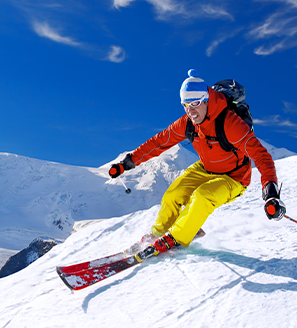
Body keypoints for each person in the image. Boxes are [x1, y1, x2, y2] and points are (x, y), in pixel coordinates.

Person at [109, 69, 286, 255]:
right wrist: (125, 163)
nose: (190, 111)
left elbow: (261, 156)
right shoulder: (187, 123)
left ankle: (176, 238)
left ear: (207, 99)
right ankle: (158, 234)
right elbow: (158, 142)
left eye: (195, 103)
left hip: (234, 177)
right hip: (206, 168)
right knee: (173, 194)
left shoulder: (230, 123)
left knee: (202, 196)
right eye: (185, 105)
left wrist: (271, 193)